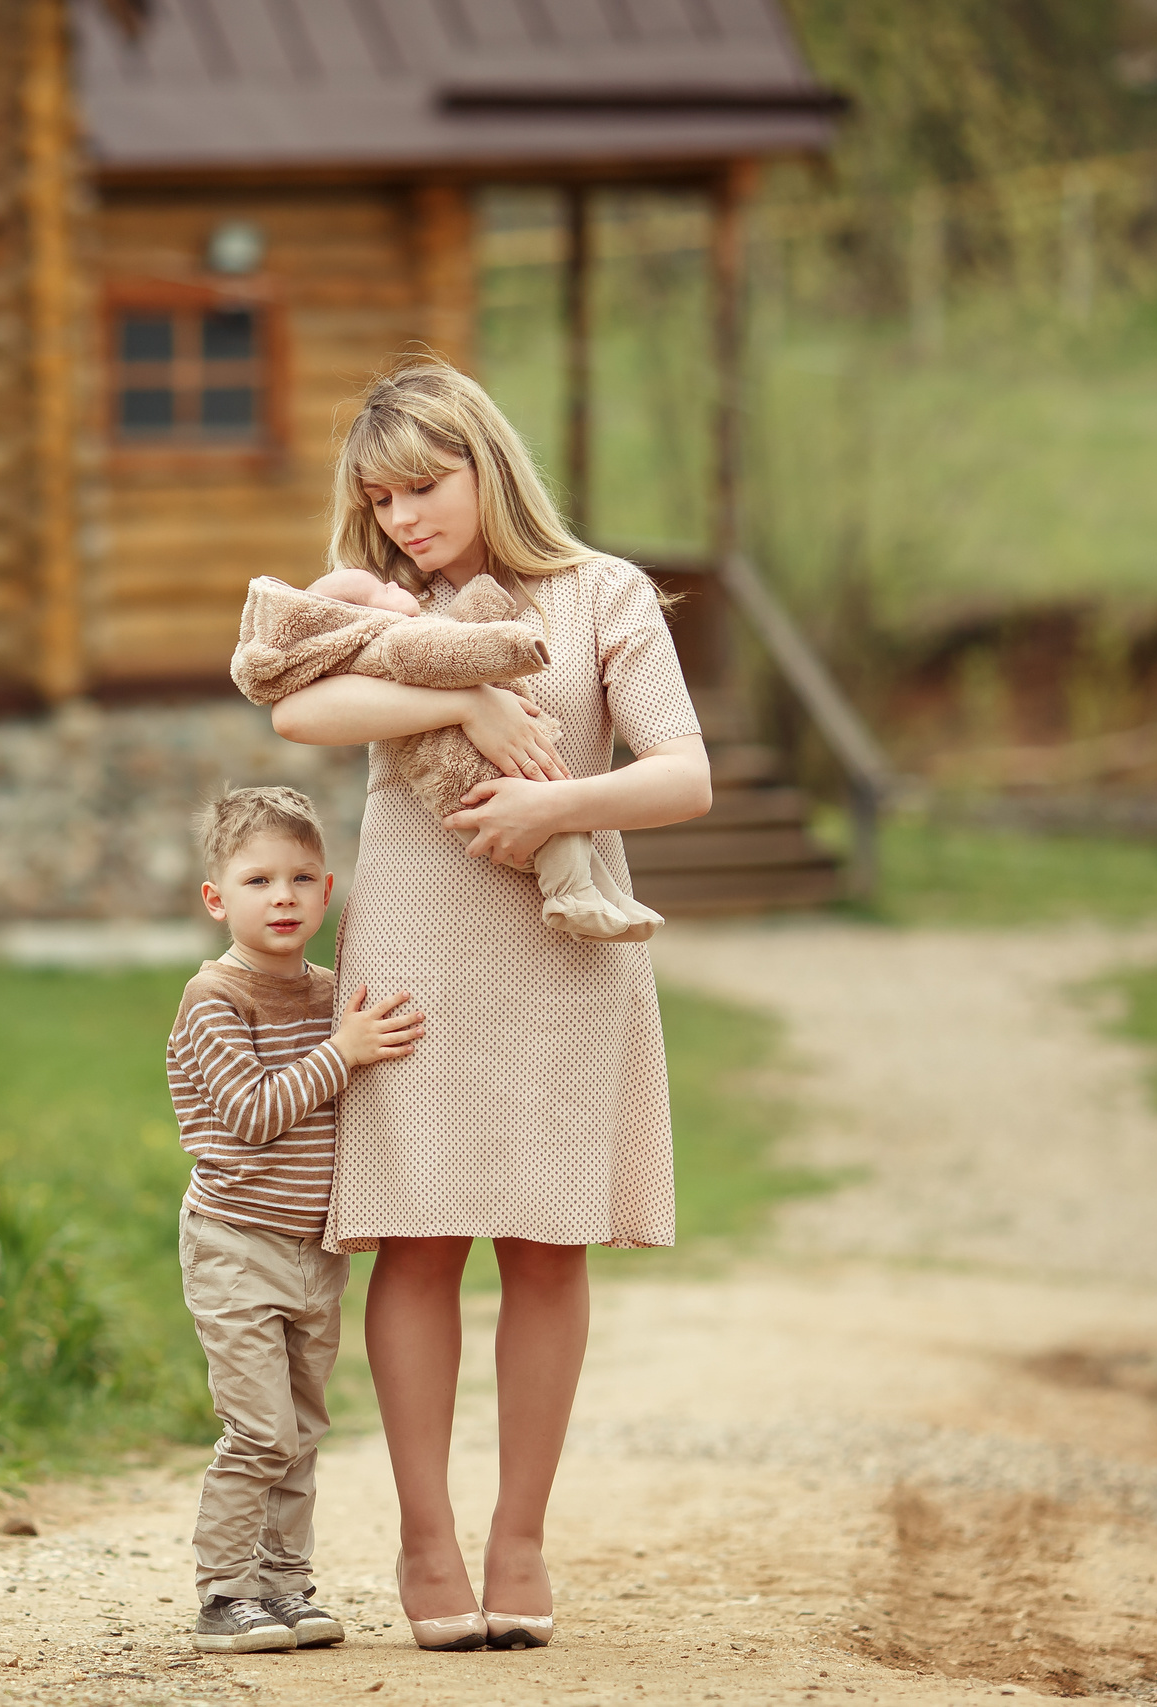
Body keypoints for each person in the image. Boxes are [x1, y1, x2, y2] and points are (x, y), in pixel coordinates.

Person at [269, 361, 714, 1652]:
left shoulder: (602, 595)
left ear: (487, 465)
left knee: (544, 1241)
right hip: (416, 956)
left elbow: (683, 773)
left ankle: (520, 1533)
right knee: (415, 1237)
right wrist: (462, 691)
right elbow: (301, 703)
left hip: (561, 955)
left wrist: (558, 803)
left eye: (426, 486)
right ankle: (425, 1534)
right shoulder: (375, 605)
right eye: (381, 496)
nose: (405, 517)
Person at [167, 785, 423, 1654]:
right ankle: (223, 1593)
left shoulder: (328, 995)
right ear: (217, 898)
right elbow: (250, 1112)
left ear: (327, 892)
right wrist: (341, 1053)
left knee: (304, 1429)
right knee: (260, 1428)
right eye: (258, 879)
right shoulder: (214, 999)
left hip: (315, 1250)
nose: (282, 896)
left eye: (301, 878)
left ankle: (282, 1583)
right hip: (234, 1242)